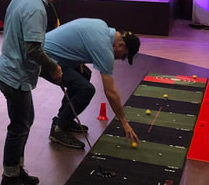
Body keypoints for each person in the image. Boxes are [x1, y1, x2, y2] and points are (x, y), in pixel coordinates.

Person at [0, 0, 75, 185]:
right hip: (15, 76)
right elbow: (33, 49)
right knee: (19, 126)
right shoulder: (36, 8)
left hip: (9, 71)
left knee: (25, 120)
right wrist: (54, 67)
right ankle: (10, 178)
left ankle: (17, 169)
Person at [41, 18, 141, 149]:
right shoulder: (104, 49)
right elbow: (110, 92)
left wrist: (75, 60)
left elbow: (77, 38)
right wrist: (123, 121)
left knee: (85, 74)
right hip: (42, 59)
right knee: (86, 89)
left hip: (46, 50)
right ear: (121, 45)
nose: (120, 59)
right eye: (123, 56)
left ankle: (63, 119)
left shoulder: (101, 26)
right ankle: (58, 129)